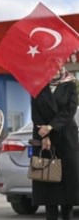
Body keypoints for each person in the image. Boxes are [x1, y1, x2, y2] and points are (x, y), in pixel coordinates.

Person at [31, 67, 79, 220]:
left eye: (59, 64)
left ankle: (68, 216)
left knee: (67, 185)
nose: (56, 68)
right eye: (52, 65)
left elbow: (69, 110)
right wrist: (44, 136)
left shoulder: (71, 84)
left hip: (66, 139)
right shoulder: (37, 85)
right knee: (48, 184)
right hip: (44, 140)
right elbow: (35, 111)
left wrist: (50, 127)